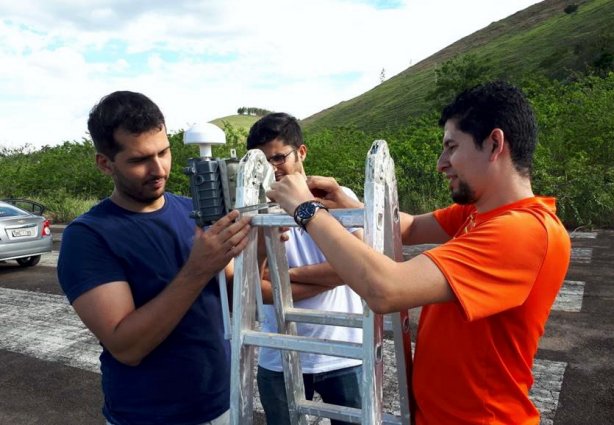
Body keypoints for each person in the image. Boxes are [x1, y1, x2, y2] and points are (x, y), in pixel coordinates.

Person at [266, 81, 571, 424]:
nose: (442, 163)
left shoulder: (524, 231)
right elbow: (407, 228)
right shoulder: (478, 213)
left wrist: (306, 211)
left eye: (452, 147)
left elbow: (386, 289)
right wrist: (346, 204)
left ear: (494, 143)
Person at [57, 91, 252, 425]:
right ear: (105, 163)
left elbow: (232, 300)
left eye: (164, 152)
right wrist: (197, 268)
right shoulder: (89, 237)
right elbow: (127, 346)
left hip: (223, 404)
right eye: (139, 160)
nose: (158, 168)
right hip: (148, 415)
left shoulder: (191, 209)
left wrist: (255, 254)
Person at [246, 112, 363, 425]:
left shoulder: (338, 199)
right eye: (263, 163)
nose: (273, 169)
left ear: (301, 152)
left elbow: (358, 269)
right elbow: (258, 290)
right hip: (280, 357)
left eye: (278, 157)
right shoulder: (254, 215)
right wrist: (336, 272)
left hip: (342, 351)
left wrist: (286, 275)